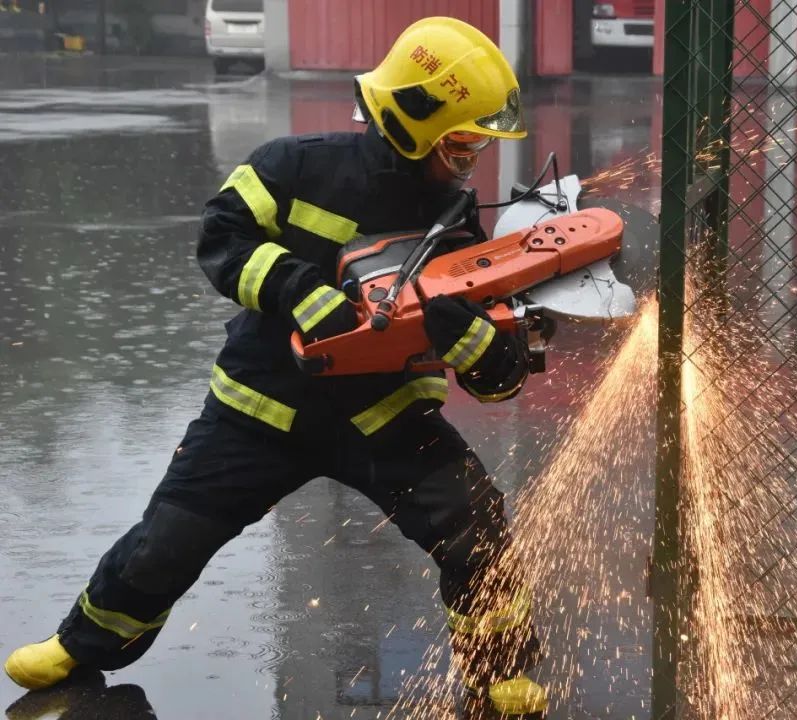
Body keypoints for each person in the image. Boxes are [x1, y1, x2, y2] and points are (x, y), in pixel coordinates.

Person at [4, 16, 547, 717]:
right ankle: (81, 645)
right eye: (463, 140)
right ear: (414, 120)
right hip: (258, 410)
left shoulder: (455, 221)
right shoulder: (292, 166)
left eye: (479, 143)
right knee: (165, 544)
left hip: (382, 417)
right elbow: (221, 236)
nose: (472, 156)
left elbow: (498, 378)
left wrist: (474, 343)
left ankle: (499, 670)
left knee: (475, 523)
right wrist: (298, 289)